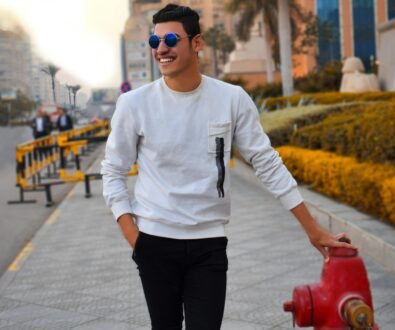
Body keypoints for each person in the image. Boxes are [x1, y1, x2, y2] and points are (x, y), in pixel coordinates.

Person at [101, 4, 355, 330]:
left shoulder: (230, 99)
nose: (161, 49)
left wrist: (314, 229)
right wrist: (134, 237)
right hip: (155, 243)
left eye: (171, 40)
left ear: (196, 43)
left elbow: (267, 163)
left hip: (209, 245)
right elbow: (113, 170)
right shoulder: (134, 104)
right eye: (155, 42)